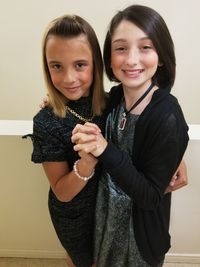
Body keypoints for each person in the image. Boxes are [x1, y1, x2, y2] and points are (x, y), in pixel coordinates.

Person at [71, 5, 189, 267]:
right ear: (109, 57)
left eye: (145, 47)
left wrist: (105, 149)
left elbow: (149, 196)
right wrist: (51, 100)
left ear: (161, 56)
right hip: (107, 220)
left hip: (140, 238)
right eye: (121, 48)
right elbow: (77, 99)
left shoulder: (167, 115)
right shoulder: (114, 99)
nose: (132, 59)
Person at [25, 14, 106, 267]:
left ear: (96, 64)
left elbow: (151, 119)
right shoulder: (46, 121)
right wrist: (87, 163)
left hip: (111, 208)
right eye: (57, 66)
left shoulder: (115, 102)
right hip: (75, 217)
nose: (69, 78)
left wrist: (176, 155)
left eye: (80, 64)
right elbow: (62, 192)